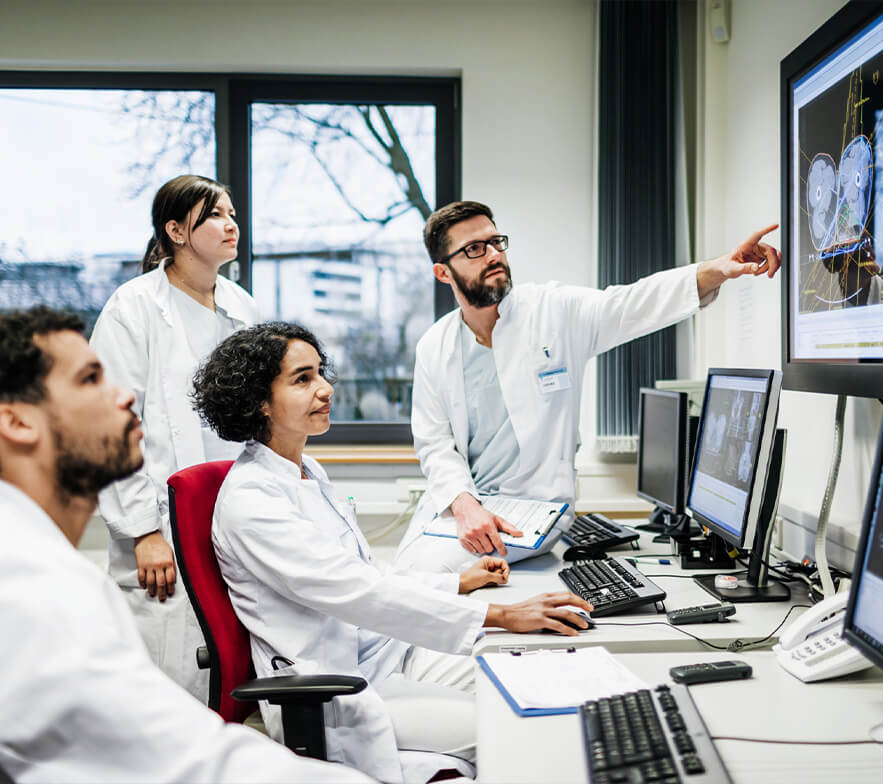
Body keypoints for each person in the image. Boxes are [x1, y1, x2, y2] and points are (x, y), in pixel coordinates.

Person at [191, 322, 593, 784]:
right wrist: (499, 614)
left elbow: (362, 572)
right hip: (340, 692)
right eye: (302, 379)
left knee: (537, 676)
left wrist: (458, 584)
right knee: (522, 727)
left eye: (321, 373)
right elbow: (357, 591)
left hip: (382, 653)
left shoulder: (306, 472)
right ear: (259, 400)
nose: (324, 389)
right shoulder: (252, 501)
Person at [0, 306, 371, 784]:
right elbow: (185, 760)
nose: (125, 396)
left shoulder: (41, 563)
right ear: (17, 422)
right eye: (91, 379)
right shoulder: (28, 583)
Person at [394, 201, 782, 572]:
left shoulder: (553, 311)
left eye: (496, 242)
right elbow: (434, 442)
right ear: (443, 273)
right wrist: (463, 504)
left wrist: (719, 269)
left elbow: (632, 304)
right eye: (474, 249)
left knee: (424, 576)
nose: (494, 255)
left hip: (532, 510)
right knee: (402, 572)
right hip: (464, 506)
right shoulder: (435, 346)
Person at [90, 174, 259, 701]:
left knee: (234, 673)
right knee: (171, 680)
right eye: (215, 215)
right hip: (162, 525)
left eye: (232, 213)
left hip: (234, 516)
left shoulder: (242, 307)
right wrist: (143, 532)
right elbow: (110, 425)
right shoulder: (133, 307)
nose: (231, 224)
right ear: (176, 231)